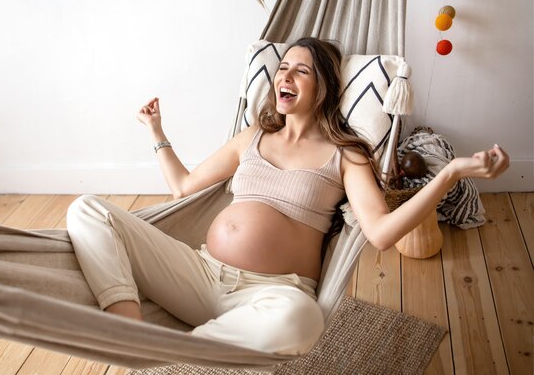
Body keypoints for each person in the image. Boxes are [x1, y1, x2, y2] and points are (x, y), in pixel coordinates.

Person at [66, 37, 509, 356]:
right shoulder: (253, 136)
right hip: (200, 273)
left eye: (302, 70)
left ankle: (185, 349)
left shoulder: (346, 154)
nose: (286, 75)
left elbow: (379, 233)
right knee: (87, 209)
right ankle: (132, 333)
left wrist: (449, 173)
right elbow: (183, 188)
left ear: (325, 90)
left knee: (304, 323)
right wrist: (157, 132)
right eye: (283, 68)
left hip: (274, 295)